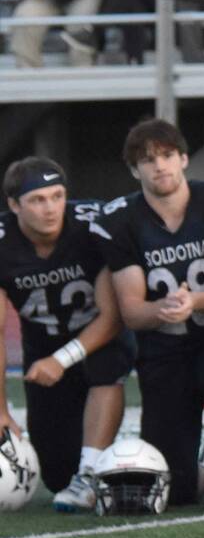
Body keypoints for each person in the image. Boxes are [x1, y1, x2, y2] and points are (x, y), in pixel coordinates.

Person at [94, 121, 204, 511]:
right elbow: (133, 313)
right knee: (177, 491)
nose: (159, 166)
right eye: (147, 160)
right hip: (163, 354)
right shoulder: (121, 220)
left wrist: (194, 302)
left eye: (167, 156)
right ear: (135, 171)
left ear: (184, 158)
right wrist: (164, 309)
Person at [0, 159, 126, 513]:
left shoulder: (92, 225)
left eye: (57, 196)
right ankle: (88, 464)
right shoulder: (3, 242)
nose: (50, 208)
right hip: (41, 348)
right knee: (56, 474)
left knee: (107, 362)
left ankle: (89, 472)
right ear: (14, 205)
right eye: (37, 199)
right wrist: (1, 410)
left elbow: (113, 318)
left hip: (98, 339)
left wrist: (63, 359)